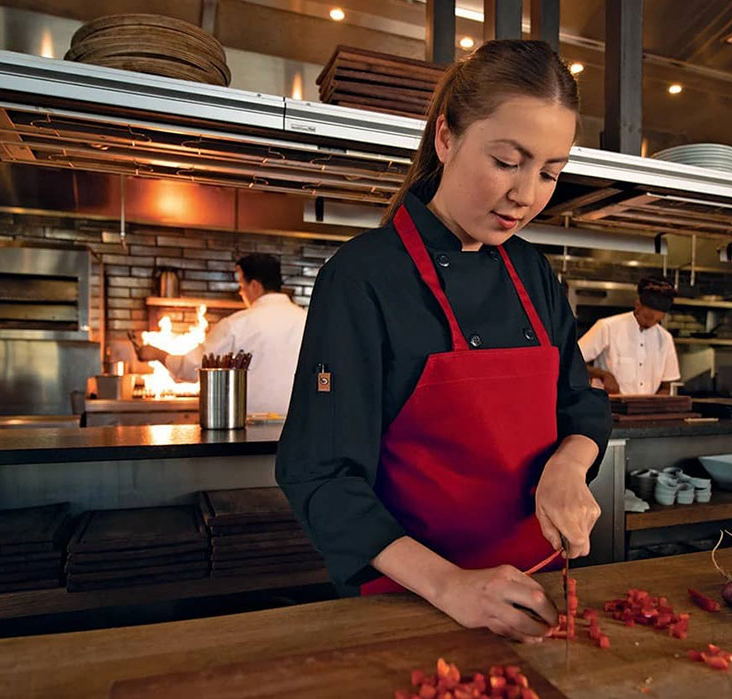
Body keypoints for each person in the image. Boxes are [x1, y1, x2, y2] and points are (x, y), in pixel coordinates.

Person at [276, 40, 611, 644]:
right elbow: (322, 476)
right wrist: (450, 584)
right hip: (411, 601)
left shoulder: (534, 272)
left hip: (530, 594)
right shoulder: (362, 278)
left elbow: (581, 404)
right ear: (447, 138)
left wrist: (569, 465)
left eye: (550, 172)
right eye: (508, 160)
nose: (527, 194)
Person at [132, 253, 306, 415]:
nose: (240, 293)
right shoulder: (307, 320)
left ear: (254, 286)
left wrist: (156, 353)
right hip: (300, 427)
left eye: (241, 286)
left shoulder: (237, 324)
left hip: (251, 430)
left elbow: (193, 368)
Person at [577, 277, 680, 396]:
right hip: (607, 408)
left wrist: (652, 406)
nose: (650, 324)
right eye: (647, 317)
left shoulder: (665, 339)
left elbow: (667, 385)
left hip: (643, 411)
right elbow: (571, 360)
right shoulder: (607, 327)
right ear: (638, 305)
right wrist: (603, 374)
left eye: (657, 320)